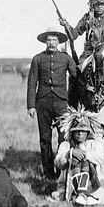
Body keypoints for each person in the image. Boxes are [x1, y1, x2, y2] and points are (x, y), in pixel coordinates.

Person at [27, 26, 78, 188]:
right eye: (48, 40)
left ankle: (61, 170)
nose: (51, 43)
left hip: (62, 103)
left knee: (63, 137)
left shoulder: (65, 58)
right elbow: (31, 83)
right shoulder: (37, 59)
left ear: (58, 42)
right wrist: (31, 105)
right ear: (45, 42)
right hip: (42, 103)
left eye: (54, 40)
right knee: (45, 138)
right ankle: (48, 172)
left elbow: (76, 76)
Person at [54, 107, 104, 206]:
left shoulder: (94, 144)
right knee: (78, 161)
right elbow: (58, 163)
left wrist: (84, 154)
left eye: (83, 131)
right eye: (77, 131)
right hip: (69, 183)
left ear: (88, 132)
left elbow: (100, 158)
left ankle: (85, 194)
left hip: (93, 183)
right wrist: (70, 153)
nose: (80, 133)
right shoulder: (66, 145)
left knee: (85, 161)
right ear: (71, 132)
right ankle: (78, 194)